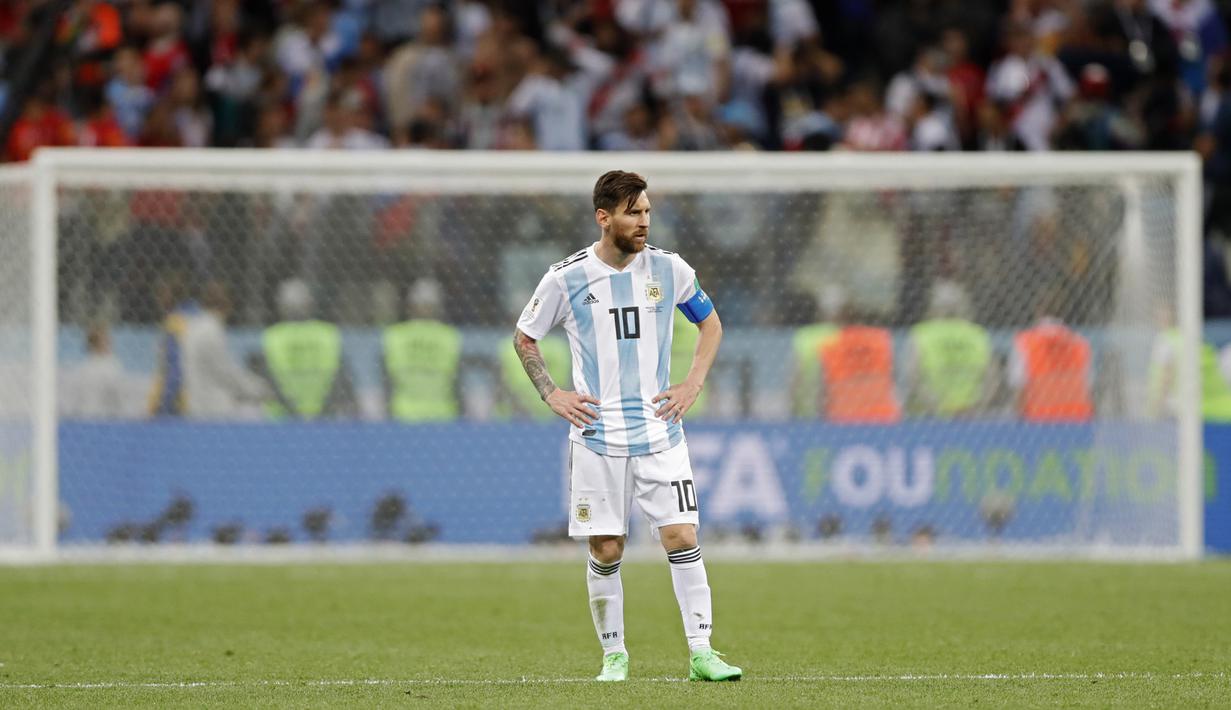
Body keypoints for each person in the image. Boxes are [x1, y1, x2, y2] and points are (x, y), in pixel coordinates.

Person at [513, 170, 741, 682]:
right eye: (632, 213)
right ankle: (614, 656)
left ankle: (702, 652)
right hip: (597, 436)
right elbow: (525, 337)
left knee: (681, 535)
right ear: (604, 217)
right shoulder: (566, 278)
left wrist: (692, 384)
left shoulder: (670, 268)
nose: (643, 222)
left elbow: (710, 324)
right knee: (607, 547)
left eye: (647, 212)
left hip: (660, 431)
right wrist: (552, 393)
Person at [149, 277, 267, 419]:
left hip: (196, 406)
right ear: (229, 304)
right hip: (215, 409)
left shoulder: (193, 326)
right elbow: (225, 372)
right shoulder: (211, 329)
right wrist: (260, 389)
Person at [252, 278, 357, 420]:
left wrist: (293, 411)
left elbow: (267, 382)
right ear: (310, 304)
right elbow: (342, 380)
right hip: (323, 418)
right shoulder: (328, 334)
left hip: (281, 421)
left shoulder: (272, 336)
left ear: (281, 306)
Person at [902, 280, 996, 418]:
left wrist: (936, 406)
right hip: (969, 414)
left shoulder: (921, 334)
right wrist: (978, 407)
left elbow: (912, 378)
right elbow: (992, 379)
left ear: (933, 306)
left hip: (930, 415)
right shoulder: (977, 334)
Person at [382, 278, 463, 421]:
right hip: (442, 415)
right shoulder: (449, 336)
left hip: (404, 414)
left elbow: (387, 380)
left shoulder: (395, 335)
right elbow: (458, 381)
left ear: (410, 306)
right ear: (439, 307)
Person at [1009, 299, 1094, 422]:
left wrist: (1018, 420)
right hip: (1077, 420)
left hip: (1039, 420)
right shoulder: (1080, 343)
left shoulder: (1024, 342)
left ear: (1038, 311)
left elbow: (1020, 388)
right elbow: (1088, 389)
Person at [817, 304, 902, 424]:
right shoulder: (883, 340)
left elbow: (823, 389)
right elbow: (895, 378)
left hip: (843, 416)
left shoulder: (830, 347)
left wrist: (821, 417)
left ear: (839, 321)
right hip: (883, 415)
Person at [61, 322, 138, 419]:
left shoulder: (85, 367)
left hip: (89, 416)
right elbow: (120, 397)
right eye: (106, 341)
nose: (110, 344)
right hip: (101, 417)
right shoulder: (109, 366)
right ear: (96, 344)